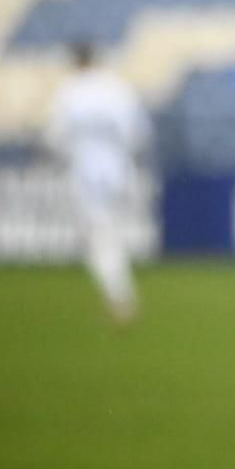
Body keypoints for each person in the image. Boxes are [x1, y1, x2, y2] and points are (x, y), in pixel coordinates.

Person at [47, 40, 151, 324]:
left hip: (86, 174)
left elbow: (55, 139)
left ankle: (120, 298)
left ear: (74, 60)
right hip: (120, 170)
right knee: (106, 233)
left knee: (100, 236)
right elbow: (139, 134)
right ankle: (119, 295)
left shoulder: (69, 92)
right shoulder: (118, 88)